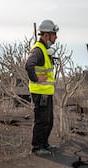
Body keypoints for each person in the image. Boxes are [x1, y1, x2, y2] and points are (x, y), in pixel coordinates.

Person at [25, 19, 59, 156]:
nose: (56, 37)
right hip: (40, 92)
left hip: (46, 91)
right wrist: (36, 78)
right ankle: (37, 147)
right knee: (42, 120)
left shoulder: (45, 50)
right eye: (54, 34)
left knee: (48, 120)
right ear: (46, 35)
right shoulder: (38, 50)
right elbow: (29, 65)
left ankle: (44, 144)